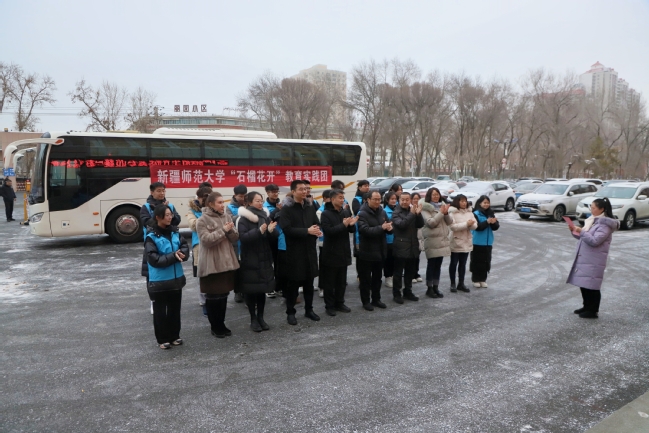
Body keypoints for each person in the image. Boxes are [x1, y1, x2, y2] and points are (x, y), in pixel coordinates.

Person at [144, 205, 189, 349]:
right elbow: (154, 260)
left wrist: (183, 254)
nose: (170, 217)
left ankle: (174, 335)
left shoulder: (175, 232)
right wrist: (174, 256)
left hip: (176, 279)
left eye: (171, 214)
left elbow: (184, 246)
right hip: (159, 281)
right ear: (158, 217)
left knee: (175, 310)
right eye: (167, 215)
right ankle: (162, 339)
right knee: (160, 312)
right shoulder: (151, 237)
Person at [278, 179, 322, 325]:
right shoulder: (287, 209)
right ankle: (290, 312)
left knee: (309, 284)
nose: (304, 191)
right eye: (301, 189)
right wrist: (307, 231)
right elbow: (287, 229)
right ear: (293, 191)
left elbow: (316, 222)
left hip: (309, 250)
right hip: (295, 253)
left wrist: (317, 230)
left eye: (306, 189)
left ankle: (309, 310)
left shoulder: (309, 206)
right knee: (293, 285)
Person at [196, 192, 240, 338]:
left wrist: (231, 230)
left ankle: (221, 324)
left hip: (226, 263)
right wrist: (223, 230)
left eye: (223, 202)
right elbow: (206, 240)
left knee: (223, 296)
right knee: (213, 297)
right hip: (211, 264)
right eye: (219, 202)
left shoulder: (227, 217)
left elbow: (235, 238)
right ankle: (215, 326)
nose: (222, 205)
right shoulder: (202, 220)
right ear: (210, 204)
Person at [566, 198, 619, 319]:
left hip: (594, 260)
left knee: (592, 285)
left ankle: (593, 310)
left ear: (602, 209)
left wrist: (581, 231)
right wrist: (574, 231)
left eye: (594, 207)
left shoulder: (605, 225)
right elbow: (584, 237)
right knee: (584, 283)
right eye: (591, 207)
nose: (591, 209)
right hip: (586, 257)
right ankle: (586, 306)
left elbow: (595, 241)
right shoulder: (593, 221)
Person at [237, 191, 278, 332]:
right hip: (250, 259)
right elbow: (243, 238)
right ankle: (253, 319)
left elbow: (274, 237)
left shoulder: (265, 216)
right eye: (257, 201)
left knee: (262, 290)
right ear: (249, 203)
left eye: (261, 201)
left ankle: (261, 317)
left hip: (264, 259)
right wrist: (259, 231)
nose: (260, 203)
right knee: (251, 291)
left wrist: (271, 231)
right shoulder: (243, 219)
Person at [140, 182, 181, 315]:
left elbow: (177, 219)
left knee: (170, 270)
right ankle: (154, 300)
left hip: (170, 242)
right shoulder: (146, 207)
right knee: (152, 273)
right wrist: (160, 212)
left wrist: (168, 212)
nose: (162, 193)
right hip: (153, 243)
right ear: (152, 192)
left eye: (163, 190)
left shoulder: (170, 206)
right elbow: (146, 222)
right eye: (158, 191)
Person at [320, 189, 357, 316]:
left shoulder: (345, 212)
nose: (342, 200)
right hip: (331, 252)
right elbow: (329, 232)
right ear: (332, 199)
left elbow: (351, 230)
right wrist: (343, 225)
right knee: (330, 282)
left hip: (343, 251)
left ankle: (340, 303)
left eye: (343, 198)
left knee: (341, 282)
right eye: (340, 198)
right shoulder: (325, 214)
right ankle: (329, 306)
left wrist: (351, 225)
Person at [357, 190, 392, 311]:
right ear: (368, 200)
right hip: (367, 251)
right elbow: (365, 230)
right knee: (366, 279)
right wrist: (381, 227)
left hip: (380, 250)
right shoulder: (362, 213)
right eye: (375, 199)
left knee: (377, 278)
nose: (377, 202)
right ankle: (366, 301)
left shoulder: (382, 211)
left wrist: (389, 228)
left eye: (379, 199)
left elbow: (388, 226)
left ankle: (376, 299)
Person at [390, 192, 425, 304]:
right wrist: (412, 214)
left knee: (410, 272)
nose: (404, 202)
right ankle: (396, 294)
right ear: (399, 201)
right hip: (400, 246)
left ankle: (408, 291)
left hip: (413, 245)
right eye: (402, 200)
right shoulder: (396, 212)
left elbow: (420, 224)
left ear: (410, 200)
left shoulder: (412, 211)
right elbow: (401, 225)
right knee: (398, 273)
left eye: (407, 200)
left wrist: (418, 215)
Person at [421, 187, 452, 298]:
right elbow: (431, 223)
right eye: (433, 194)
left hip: (442, 240)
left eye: (437, 194)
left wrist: (446, 213)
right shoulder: (425, 208)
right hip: (432, 241)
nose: (436, 196)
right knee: (431, 265)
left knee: (438, 265)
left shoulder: (442, 206)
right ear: (429, 196)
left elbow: (449, 222)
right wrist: (441, 213)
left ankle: (436, 287)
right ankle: (429, 288)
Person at [187, 185, 212, 316]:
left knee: (213, 271)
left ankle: (213, 297)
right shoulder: (192, 210)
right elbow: (193, 225)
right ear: (199, 198)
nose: (206, 200)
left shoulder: (215, 208)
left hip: (213, 242)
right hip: (199, 245)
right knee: (201, 273)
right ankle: (204, 301)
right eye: (204, 198)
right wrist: (207, 218)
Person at [448, 194, 477, 293]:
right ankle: (452, 283)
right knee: (454, 263)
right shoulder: (453, 212)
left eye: (465, 201)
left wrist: (471, 225)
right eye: (462, 201)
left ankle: (461, 283)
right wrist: (466, 224)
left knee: (463, 264)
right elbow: (453, 227)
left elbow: (475, 226)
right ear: (457, 202)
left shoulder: (469, 212)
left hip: (466, 241)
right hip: (456, 241)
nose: (464, 203)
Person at [470, 195, 500, 288]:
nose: (486, 204)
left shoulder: (491, 213)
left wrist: (494, 223)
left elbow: (495, 227)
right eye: (484, 202)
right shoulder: (475, 213)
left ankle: (483, 279)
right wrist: (487, 222)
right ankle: (475, 279)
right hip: (477, 241)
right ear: (480, 203)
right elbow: (477, 227)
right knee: (476, 261)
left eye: (488, 203)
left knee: (486, 261)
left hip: (488, 242)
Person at [227, 184, 247, 303]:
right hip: (235, 243)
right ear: (235, 195)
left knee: (246, 268)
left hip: (246, 241)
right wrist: (242, 213)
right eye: (240, 196)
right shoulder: (229, 207)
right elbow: (229, 221)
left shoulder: (248, 204)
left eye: (244, 196)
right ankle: (237, 292)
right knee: (237, 269)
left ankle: (246, 291)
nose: (242, 198)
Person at [263, 183, 284, 299]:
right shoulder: (264, 207)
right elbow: (267, 220)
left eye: (277, 191)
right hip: (269, 238)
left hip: (280, 238)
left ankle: (278, 287)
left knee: (279, 264)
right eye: (273, 192)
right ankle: (269, 288)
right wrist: (277, 210)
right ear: (267, 193)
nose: (275, 194)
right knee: (268, 264)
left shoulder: (282, 204)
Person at [316, 190, 332, 299]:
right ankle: (322, 287)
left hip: (333, 242)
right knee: (323, 266)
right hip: (323, 242)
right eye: (331, 198)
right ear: (325, 199)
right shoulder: (320, 211)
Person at [382, 192, 397, 288]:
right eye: (392, 199)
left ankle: (394, 276)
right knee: (388, 260)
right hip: (388, 240)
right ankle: (388, 277)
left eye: (395, 199)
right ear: (387, 200)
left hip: (397, 238)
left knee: (396, 260)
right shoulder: (384, 211)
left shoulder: (398, 210)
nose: (394, 201)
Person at [411, 192, 424, 283]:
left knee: (417, 256)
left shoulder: (421, 209)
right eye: (414, 199)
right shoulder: (409, 209)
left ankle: (416, 273)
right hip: (411, 236)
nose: (416, 200)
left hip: (419, 236)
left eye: (417, 199)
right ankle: (411, 274)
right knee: (411, 257)